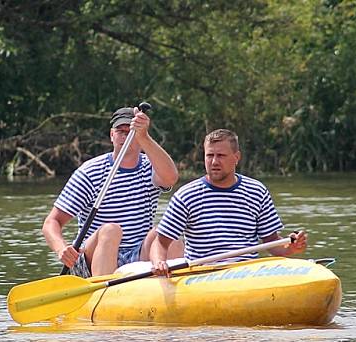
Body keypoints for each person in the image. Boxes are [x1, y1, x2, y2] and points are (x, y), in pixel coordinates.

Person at [42, 105, 184, 277]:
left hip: (137, 254)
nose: (125, 136)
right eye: (120, 131)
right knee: (111, 231)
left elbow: (170, 178)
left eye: (130, 132)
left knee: (167, 232)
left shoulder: (151, 166)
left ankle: (173, 290)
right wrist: (61, 249)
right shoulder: (90, 172)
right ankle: (104, 292)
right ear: (112, 135)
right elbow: (52, 222)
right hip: (91, 258)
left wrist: (144, 136)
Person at [150, 128, 307, 276]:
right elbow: (161, 243)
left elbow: (272, 242)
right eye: (210, 156)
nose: (214, 162)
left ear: (236, 157)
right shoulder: (187, 195)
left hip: (247, 272)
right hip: (204, 274)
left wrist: (290, 247)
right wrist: (159, 262)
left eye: (221, 156)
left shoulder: (257, 191)